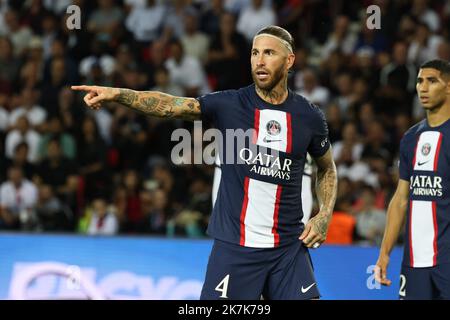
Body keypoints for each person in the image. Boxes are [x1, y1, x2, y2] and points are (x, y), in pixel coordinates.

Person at [72, 25, 337, 300]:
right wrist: (119, 95)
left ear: (289, 60)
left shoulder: (309, 117)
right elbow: (171, 105)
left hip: (288, 250)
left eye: (269, 53)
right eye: (255, 53)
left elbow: (327, 168)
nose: (259, 60)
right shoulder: (229, 105)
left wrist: (324, 215)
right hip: (236, 248)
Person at [375, 59, 450, 300]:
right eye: (419, 81)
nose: (423, 87)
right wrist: (385, 253)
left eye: (432, 81)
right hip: (414, 261)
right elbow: (400, 199)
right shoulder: (411, 138)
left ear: (448, 86)